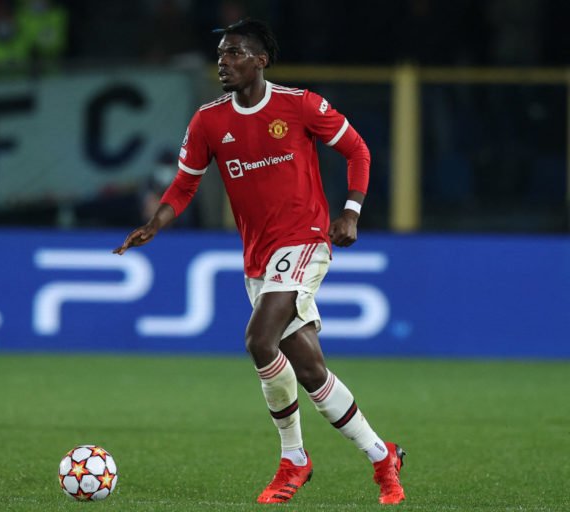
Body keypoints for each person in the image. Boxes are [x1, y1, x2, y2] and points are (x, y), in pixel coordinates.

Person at [113, 19, 405, 505]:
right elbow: (185, 183)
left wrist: (351, 212)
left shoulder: (300, 105)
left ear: (261, 60)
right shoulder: (208, 121)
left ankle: (294, 458)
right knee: (309, 370)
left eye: (234, 53)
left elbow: (357, 150)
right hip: (259, 257)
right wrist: (156, 223)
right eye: (220, 54)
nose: (223, 62)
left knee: (258, 339)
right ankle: (382, 455)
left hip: (305, 240)